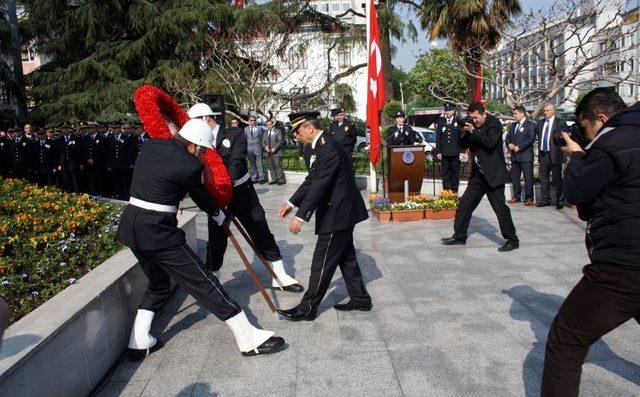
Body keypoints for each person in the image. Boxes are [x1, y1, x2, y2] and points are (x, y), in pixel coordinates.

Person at [118, 118, 285, 360]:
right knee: (205, 283)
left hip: (131, 228)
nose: (203, 155)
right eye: (203, 151)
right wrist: (219, 214)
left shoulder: (152, 145)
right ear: (195, 146)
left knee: (158, 284)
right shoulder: (189, 165)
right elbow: (200, 196)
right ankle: (248, 338)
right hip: (159, 234)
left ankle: (139, 340)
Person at [541, 88, 639, 397]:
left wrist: (579, 157)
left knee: (565, 340)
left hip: (622, 267)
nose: (584, 135)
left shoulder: (613, 143)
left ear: (600, 118)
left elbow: (577, 193)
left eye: (584, 128)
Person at [188, 104, 302, 292]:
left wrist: (226, 185)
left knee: (260, 230)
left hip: (242, 193)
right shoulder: (197, 140)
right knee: (216, 239)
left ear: (205, 118)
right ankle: (213, 277)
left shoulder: (234, 133)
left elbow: (236, 161)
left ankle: (280, 276)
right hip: (218, 197)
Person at [276, 111, 372, 322]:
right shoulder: (318, 146)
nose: (296, 136)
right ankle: (360, 298)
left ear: (310, 128)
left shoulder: (328, 148)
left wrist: (301, 217)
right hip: (341, 211)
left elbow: (320, 184)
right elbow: (313, 179)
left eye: (298, 131)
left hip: (338, 213)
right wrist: (292, 202)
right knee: (346, 257)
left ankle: (308, 307)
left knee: (322, 261)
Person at [441, 102, 519, 252]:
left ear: (484, 114)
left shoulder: (494, 124)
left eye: (476, 118)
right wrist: (463, 131)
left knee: (500, 208)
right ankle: (459, 236)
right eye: (472, 118)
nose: (474, 120)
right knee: (464, 205)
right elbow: (462, 144)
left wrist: (473, 130)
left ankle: (512, 240)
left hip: (493, 174)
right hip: (478, 176)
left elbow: (489, 143)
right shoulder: (473, 126)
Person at [537, 103, 568, 209]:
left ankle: (560, 200)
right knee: (543, 178)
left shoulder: (560, 122)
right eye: (544, 111)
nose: (545, 112)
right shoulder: (540, 123)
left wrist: (559, 137)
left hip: (555, 154)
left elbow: (566, 137)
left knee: (557, 178)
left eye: (547, 111)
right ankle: (545, 199)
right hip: (543, 154)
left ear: (553, 111)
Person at [506, 106, 537, 205]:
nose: (513, 115)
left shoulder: (530, 125)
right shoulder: (513, 125)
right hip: (515, 157)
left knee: (528, 178)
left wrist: (519, 147)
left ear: (522, 113)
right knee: (515, 178)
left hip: (525, 156)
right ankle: (516, 196)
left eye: (515, 113)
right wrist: (509, 144)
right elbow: (508, 138)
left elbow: (531, 138)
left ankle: (529, 198)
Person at [435, 102, 464, 192]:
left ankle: (454, 192)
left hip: (455, 153)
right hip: (445, 153)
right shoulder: (441, 122)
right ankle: (446, 193)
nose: (447, 112)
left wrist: (462, 151)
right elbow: (438, 138)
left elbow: (462, 137)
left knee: (455, 173)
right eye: (446, 110)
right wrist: (438, 151)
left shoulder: (458, 121)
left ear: (453, 111)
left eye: (449, 110)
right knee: (445, 174)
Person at [107, 124, 131, 200]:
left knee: (124, 182)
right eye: (113, 128)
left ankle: (125, 197)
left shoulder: (126, 138)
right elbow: (108, 153)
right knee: (115, 181)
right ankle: (118, 195)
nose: (115, 130)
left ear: (120, 129)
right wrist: (109, 164)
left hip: (123, 165)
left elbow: (128, 153)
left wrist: (128, 163)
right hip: (114, 165)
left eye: (116, 128)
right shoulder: (110, 138)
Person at [58, 123, 82, 193]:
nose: (65, 130)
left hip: (74, 164)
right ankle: (68, 196)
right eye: (64, 128)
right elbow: (58, 154)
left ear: (70, 129)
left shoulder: (76, 139)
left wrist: (80, 163)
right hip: (64, 164)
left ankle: (77, 196)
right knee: (66, 182)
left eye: (67, 128)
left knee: (75, 182)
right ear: (62, 129)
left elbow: (79, 152)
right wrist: (59, 164)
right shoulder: (60, 140)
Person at [262, 119, 286, 185]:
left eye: (270, 124)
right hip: (268, 152)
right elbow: (263, 141)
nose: (269, 126)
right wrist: (265, 147)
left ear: (272, 124)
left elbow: (280, 141)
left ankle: (281, 180)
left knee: (278, 166)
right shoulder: (265, 132)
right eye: (267, 125)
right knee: (271, 166)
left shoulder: (277, 131)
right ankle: (274, 179)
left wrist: (275, 148)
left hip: (276, 152)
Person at [244, 116, 266, 184]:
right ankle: (254, 178)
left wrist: (262, 147)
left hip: (258, 148)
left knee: (260, 163)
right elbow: (245, 138)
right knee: (252, 164)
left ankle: (261, 178)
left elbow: (262, 138)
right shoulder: (246, 129)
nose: (253, 121)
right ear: (249, 121)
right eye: (251, 120)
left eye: (254, 120)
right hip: (250, 149)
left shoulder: (259, 128)